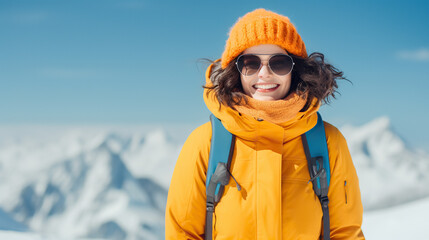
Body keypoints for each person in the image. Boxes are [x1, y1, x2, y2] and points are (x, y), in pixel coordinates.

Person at [165, 8, 364, 240]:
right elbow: (183, 233)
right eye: (250, 63)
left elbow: (345, 233)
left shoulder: (329, 142)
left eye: (279, 63)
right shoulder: (206, 143)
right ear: (236, 71)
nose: (264, 74)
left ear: (295, 70)